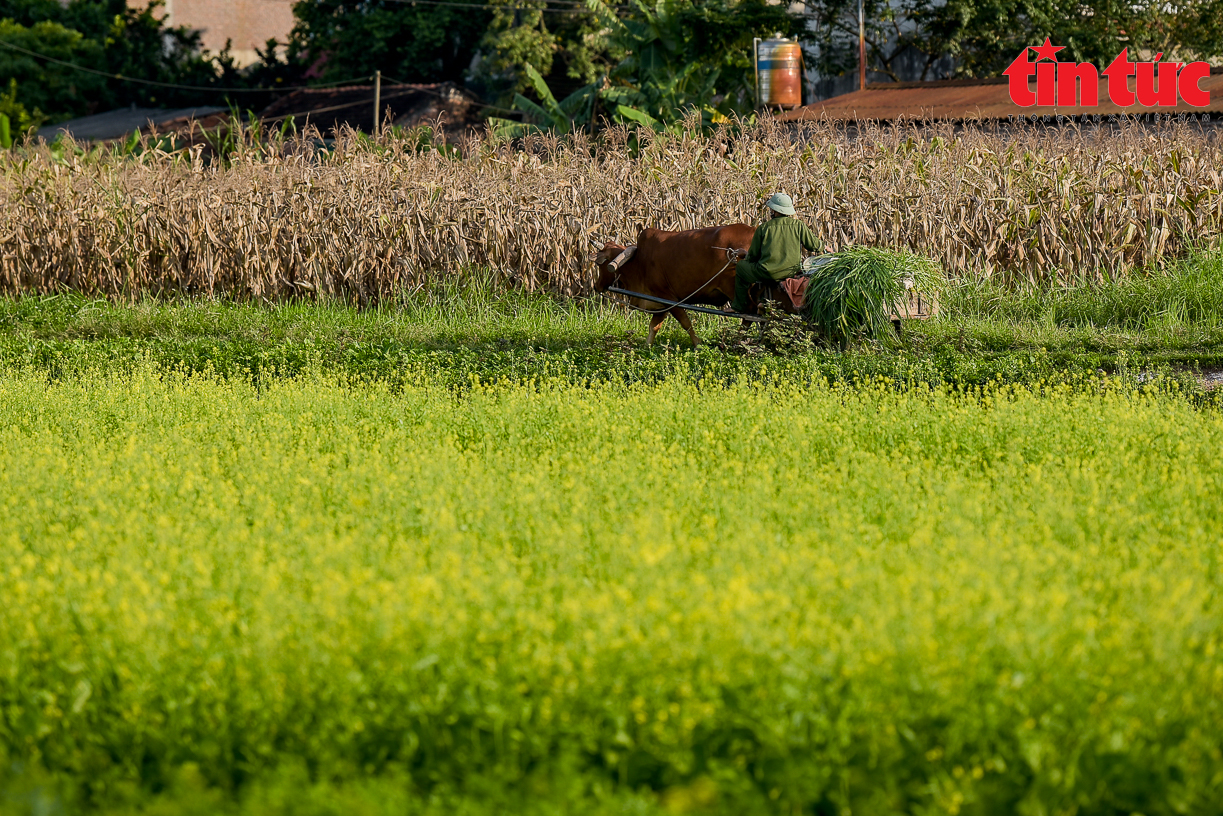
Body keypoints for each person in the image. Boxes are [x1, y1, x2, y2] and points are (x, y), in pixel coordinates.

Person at [727, 192, 821, 314]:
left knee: (740, 268)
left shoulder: (764, 228)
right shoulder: (799, 226)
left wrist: (744, 255)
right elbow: (814, 245)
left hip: (767, 273)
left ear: (775, 211)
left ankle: (740, 306)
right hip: (791, 272)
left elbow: (753, 256)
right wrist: (825, 247)